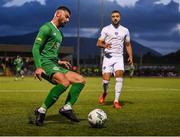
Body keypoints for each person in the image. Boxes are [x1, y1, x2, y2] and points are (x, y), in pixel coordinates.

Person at [32, 6, 86, 126]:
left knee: (80, 80)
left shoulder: (60, 34)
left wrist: (59, 61)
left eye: (69, 18)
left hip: (53, 64)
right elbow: (36, 48)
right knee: (64, 82)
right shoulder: (46, 28)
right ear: (57, 14)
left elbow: (51, 52)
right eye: (66, 17)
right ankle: (41, 111)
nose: (67, 20)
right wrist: (38, 67)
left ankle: (67, 108)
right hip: (45, 64)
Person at [97, 10, 133, 109]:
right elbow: (98, 43)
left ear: (120, 18)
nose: (115, 18)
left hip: (119, 57)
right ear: (111, 18)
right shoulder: (106, 29)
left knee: (119, 76)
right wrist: (105, 45)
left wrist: (130, 56)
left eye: (117, 16)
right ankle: (104, 93)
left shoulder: (125, 30)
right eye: (113, 16)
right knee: (106, 81)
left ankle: (116, 101)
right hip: (108, 58)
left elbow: (128, 44)